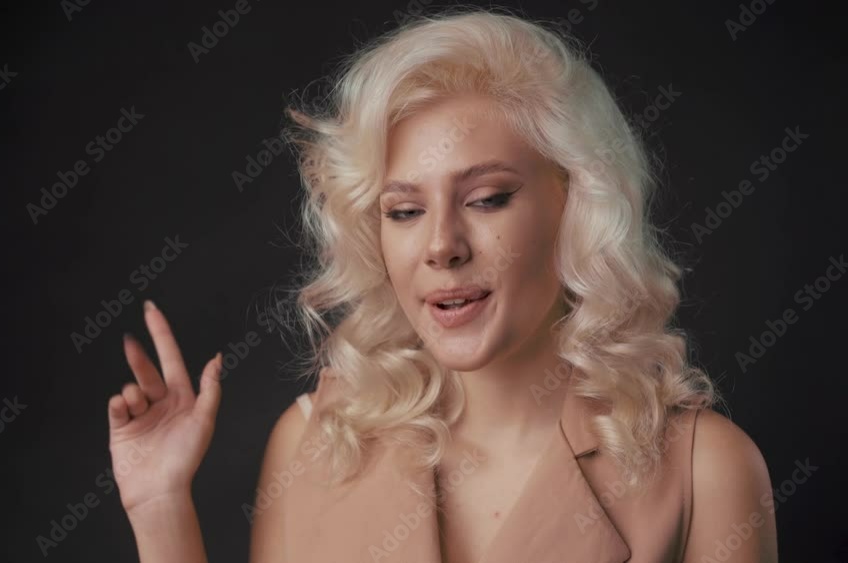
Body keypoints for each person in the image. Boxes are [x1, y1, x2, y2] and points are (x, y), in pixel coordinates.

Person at [105, 8, 778, 563]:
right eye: (403, 211)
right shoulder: (317, 441)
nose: (441, 246)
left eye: (486, 199)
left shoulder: (704, 468)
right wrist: (162, 507)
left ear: (576, 203)